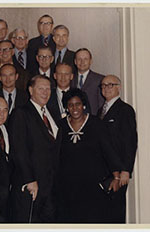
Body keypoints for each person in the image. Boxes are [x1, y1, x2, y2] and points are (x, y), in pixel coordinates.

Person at [55, 88, 123, 223]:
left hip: (92, 184)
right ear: (66, 107)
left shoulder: (96, 124)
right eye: (71, 105)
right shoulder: (61, 125)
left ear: (84, 105)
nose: (75, 108)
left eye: (78, 104)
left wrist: (116, 176)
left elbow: (108, 150)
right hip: (67, 185)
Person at [9, 75, 62, 222]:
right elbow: (19, 150)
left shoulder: (53, 113)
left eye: (48, 89)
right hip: (33, 185)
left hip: (51, 185)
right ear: (31, 90)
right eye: (41, 88)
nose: (45, 92)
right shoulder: (21, 113)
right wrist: (30, 179)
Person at [98, 75, 138, 223]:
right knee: (104, 212)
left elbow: (130, 142)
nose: (106, 88)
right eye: (103, 85)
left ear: (119, 88)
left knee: (115, 213)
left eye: (110, 85)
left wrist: (126, 170)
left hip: (119, 172)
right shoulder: (100, 110)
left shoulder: (125, 110)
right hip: (103, 171)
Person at [71, 48, 105, 115]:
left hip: (93, 120)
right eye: (79, 59)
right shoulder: (70, 78)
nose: (82, 62)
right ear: (75, 61)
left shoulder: (100, 79)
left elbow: (102, 105)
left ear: (90, 61)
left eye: (85, 59)